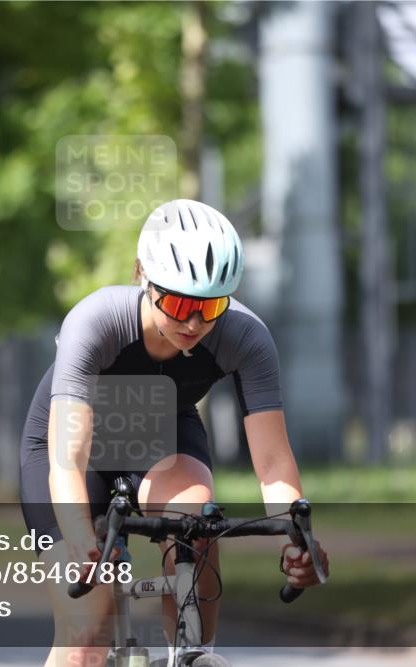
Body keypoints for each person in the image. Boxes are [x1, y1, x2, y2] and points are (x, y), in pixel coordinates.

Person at [19, 199, 329, 665]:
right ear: (141, 273)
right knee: (87, 628)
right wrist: (82, 538)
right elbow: (69, 456)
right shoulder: (96, 321)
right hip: (65, 450)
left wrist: (298, 540)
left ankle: (191, 654)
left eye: (210, 307)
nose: (193, 323)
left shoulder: (245, 337)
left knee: (197, 523)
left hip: (161, 434)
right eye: (180, 303)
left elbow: (272, 462)